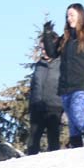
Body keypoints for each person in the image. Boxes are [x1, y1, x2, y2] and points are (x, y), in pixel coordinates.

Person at [43, 3, 84, 148]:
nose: (69, 18)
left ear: (80, 15)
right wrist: (47, 35)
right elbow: (52, 53)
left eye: (72, 15)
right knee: (72, 122)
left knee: (77, 113)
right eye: (67, 16)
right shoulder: (66, 38)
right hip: (66, 87)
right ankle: (76, 148)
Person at [27, 21, 64, 155]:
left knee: (53, 138)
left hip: (54, 106)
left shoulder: (61, 64)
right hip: (37, 106)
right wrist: (32, 104)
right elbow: (34, 86)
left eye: (46, 47)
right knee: (33, 139)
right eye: (41, 48)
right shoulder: (39, 65)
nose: (44, 51)